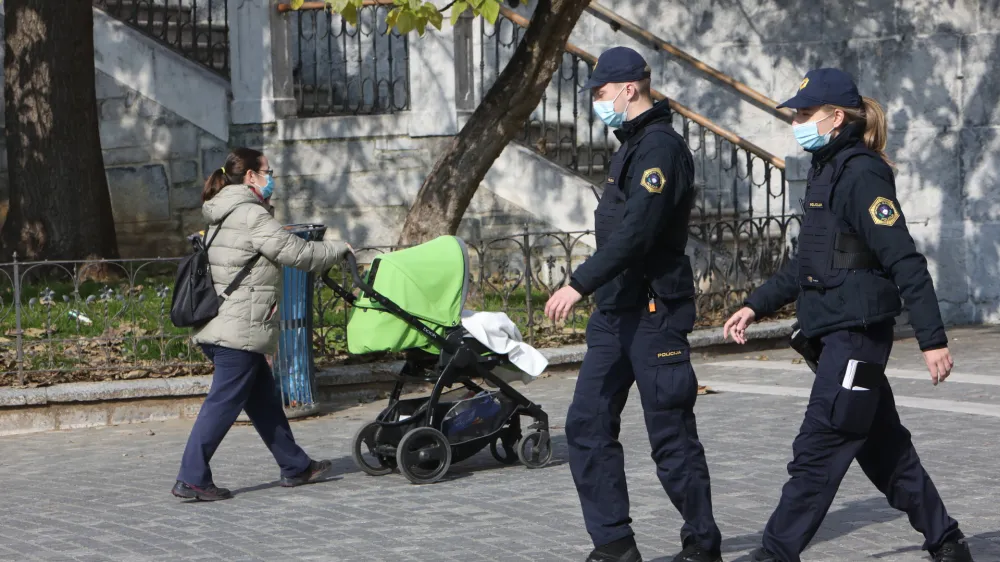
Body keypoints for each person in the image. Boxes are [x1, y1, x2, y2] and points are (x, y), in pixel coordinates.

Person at [723, 68, 974, 562]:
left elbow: (904, 259)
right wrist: (755, 304)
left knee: (820, 445)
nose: (795, 121)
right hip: (835, 334)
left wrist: (933, 340)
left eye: (803, 113)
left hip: (855, 338)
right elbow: (807, 263)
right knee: (885, 450)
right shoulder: (827, 169)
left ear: (836, 118)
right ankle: (947, 543)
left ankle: (773, 554)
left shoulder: (862, 174)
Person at [544, 47, 723, 562]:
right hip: (615, 314)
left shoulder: (660, 149)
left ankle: (702, 542)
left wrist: (578, 283)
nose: (596, 104)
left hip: (653, 313)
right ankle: (615, 544)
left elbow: (638, 234)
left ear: (629, 88)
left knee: (670, 436)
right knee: (586, 424)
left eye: (600, 94)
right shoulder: (631, 146)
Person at [172, 147, 353, 501]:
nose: (273, 180)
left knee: (264, 401)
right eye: (268, 172)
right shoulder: (250, 215)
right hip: (236, 329)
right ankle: (191, 478)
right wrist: (338, 250)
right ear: (251, 177)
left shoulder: (222, 211)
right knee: (222, 404)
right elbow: (296, 252)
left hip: (224, 323)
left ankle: (296, 466)